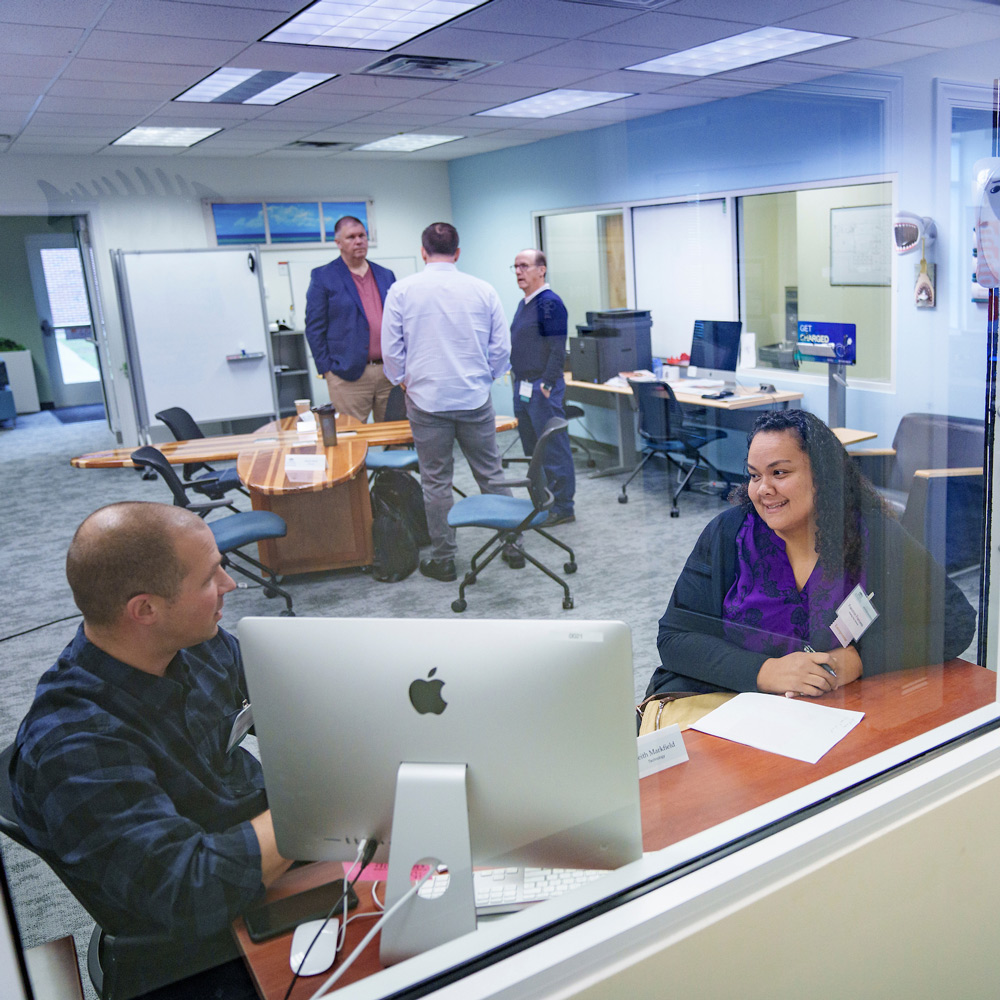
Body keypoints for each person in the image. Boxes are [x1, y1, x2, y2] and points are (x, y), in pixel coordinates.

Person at [10, 502, 291, 996]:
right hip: (203, 943)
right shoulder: (73, 745)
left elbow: (286, 699)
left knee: (423, 864)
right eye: (209, 578)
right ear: (145, 610)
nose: (229, 584)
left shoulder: (195, 641)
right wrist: (314, 806)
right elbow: (190, 890)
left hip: (265, 852)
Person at [645, 410, 976, 700]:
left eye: (779, 473)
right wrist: (765, 671)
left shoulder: (875, 537)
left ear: (822, 476)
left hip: (837, 714)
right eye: (754, 475)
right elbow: (675, 638)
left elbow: (955, 621)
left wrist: (859, 660)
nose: (763, 489)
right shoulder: (728, 534)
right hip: (733, 705)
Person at [381, 222, 512, 582]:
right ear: (457, 252)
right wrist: (486, 377)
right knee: (491, 472)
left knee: (436, 481)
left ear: (423, 252)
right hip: (474, 398)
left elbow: (391, 349)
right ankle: (512, 545)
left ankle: (444, 559)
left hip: (426, 400)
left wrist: (402, 380)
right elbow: (501, 347)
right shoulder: (483, 290)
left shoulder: (401, 291)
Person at [304, 215, 396, 422]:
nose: (359, 241)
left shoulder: (386, 275)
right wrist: (327, 369)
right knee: (350, 436)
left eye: (362, 236)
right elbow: (314, 327)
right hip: (347, 375)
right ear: (338, 243)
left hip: (388, 373)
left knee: (395, 434)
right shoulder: (324, 276)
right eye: (351, 237)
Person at [509, 248, 575, 526]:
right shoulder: (525, 303)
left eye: (524, 266)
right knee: (532, 450)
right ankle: (542, 501)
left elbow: (557, 348)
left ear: (541, 269)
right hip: (523, 386)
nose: (518, 272)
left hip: (541, 387)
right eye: (515, 267)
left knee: (552, 449)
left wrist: (547, 383)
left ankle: (563, 506)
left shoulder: (549, 303)